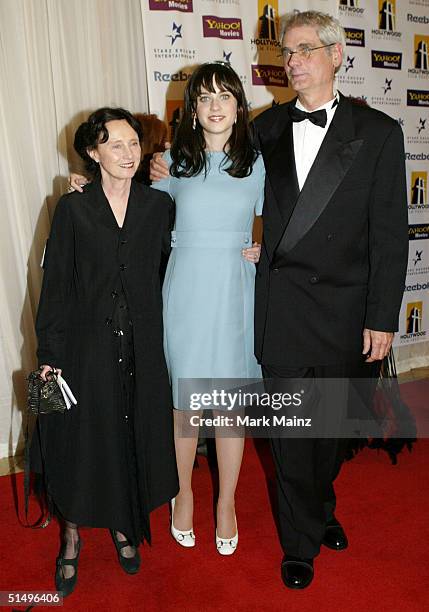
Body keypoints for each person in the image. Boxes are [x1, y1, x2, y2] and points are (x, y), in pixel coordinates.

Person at [151, 12, 408, 588]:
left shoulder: (381, 132)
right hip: (283, 306)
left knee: (332, 427)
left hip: (347, 312)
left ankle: (320, 509)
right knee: (293, 430)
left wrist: (382, 317)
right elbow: (220, 187)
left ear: (337, 55)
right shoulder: (263, 130)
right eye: (286, 53)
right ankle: (299, 544)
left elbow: (391, 233)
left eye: (303, 50)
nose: (292, 61)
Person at [31, 107, 178, 596]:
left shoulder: (158, 207)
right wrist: (48, 358)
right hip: (83, 350)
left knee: (128, 439)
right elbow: (55, 289)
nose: (128, 152)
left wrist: (247, 252)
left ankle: (123, 524)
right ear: (93, 153)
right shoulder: (73, 209)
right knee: (79, 444)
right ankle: (70, 535)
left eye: (133, 142)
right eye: (114, 144)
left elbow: (174, 270)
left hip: (141, 350)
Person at [151, 61, 264, 555]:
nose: (215, 106)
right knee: (187, 405)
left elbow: (281, 223)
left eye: (224, 96)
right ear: (193, 111)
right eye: (205, 98)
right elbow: (132, 217)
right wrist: (83, 185)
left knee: (230, 407)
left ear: (238, 107)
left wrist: (265, 248)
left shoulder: (257, 164)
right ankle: (183, 494)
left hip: (235, 289)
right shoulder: (171, 163)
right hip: (187, 290)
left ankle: (227, 503)